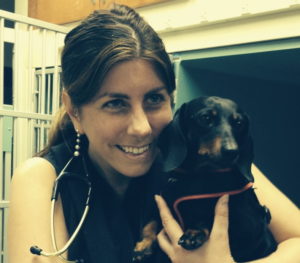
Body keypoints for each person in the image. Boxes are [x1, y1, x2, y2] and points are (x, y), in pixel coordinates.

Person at [7, 4, 300, 263]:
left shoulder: (211, 162)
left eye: (154, 99)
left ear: (171, 98)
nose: (142, 127)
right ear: (74, 110)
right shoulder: (44, 178)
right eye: (115, 103)